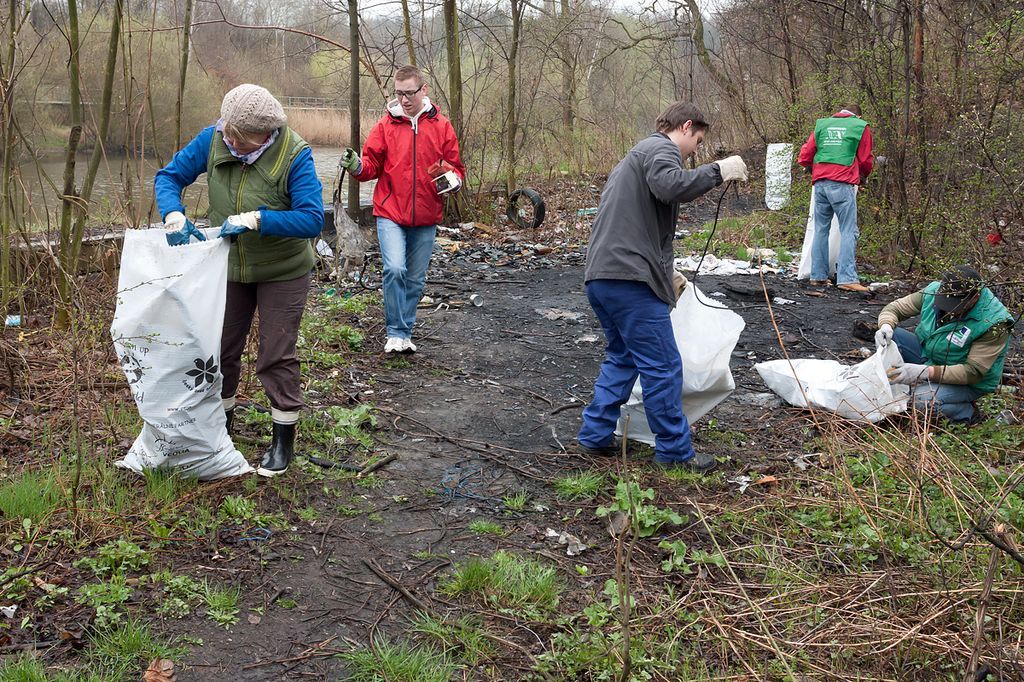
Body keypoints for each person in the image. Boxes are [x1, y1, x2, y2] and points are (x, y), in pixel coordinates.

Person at [154, 84, 324, 477]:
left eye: (240, 140)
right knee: (220, 351)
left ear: (266, 134)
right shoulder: (214, 139)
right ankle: (221, 431)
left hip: (283, 270)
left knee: (275, 354)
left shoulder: (294, 155)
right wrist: (173, 214)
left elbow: (312, 218)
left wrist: (258, 219)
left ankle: (282, 441)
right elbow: (169, 176)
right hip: (229, 267)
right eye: (227, 135)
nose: (231, 144)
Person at [577, 101, 748, 472]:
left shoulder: (632, 160)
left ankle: (595, 435)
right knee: (663, 367)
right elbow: (671, 187)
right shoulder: (660, 149)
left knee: (623, 358)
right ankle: (674, 453)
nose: (695, 151)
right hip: (630, 282)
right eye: (697, 141)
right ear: (685, 126)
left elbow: (633, 226)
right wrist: (718, 171)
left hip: (603, 278)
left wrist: (665, 274)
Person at [340, 64, 465, 354]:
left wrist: (453, 181)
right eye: (399, 93)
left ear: (424, 90)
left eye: (409, 93)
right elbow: (371, 166)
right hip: (390, 211)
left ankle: (404, 333)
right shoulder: (385, 126)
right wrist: (356, 165)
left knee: (415, 279)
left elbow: (456, 168)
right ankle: (395, 332)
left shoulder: (442, 126)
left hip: (426, 213)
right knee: (395, 268)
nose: (404, 99)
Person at [875, 265, 1013, 423]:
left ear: (975, 298)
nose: (948, 311)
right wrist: (885, 325)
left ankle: (967, 412)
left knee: (920, 401)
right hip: (929, 356)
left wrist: (925, 372)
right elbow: (895, 308)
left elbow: (972, 372)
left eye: (954, 306)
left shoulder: (995, 322)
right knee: (892, 337)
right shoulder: (934, 291)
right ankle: (896, 390)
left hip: (968, 382)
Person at [798, 104, 874, 292]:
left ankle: (818, 276)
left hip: (820, 183)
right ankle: (847, 278)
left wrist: (811, 167)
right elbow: (865, 159)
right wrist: (863, 176)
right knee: (848, 230)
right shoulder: (860, 126)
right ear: (857, 115)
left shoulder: (822, 124)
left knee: (820, 229)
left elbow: (805, 155)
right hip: (842, 182)